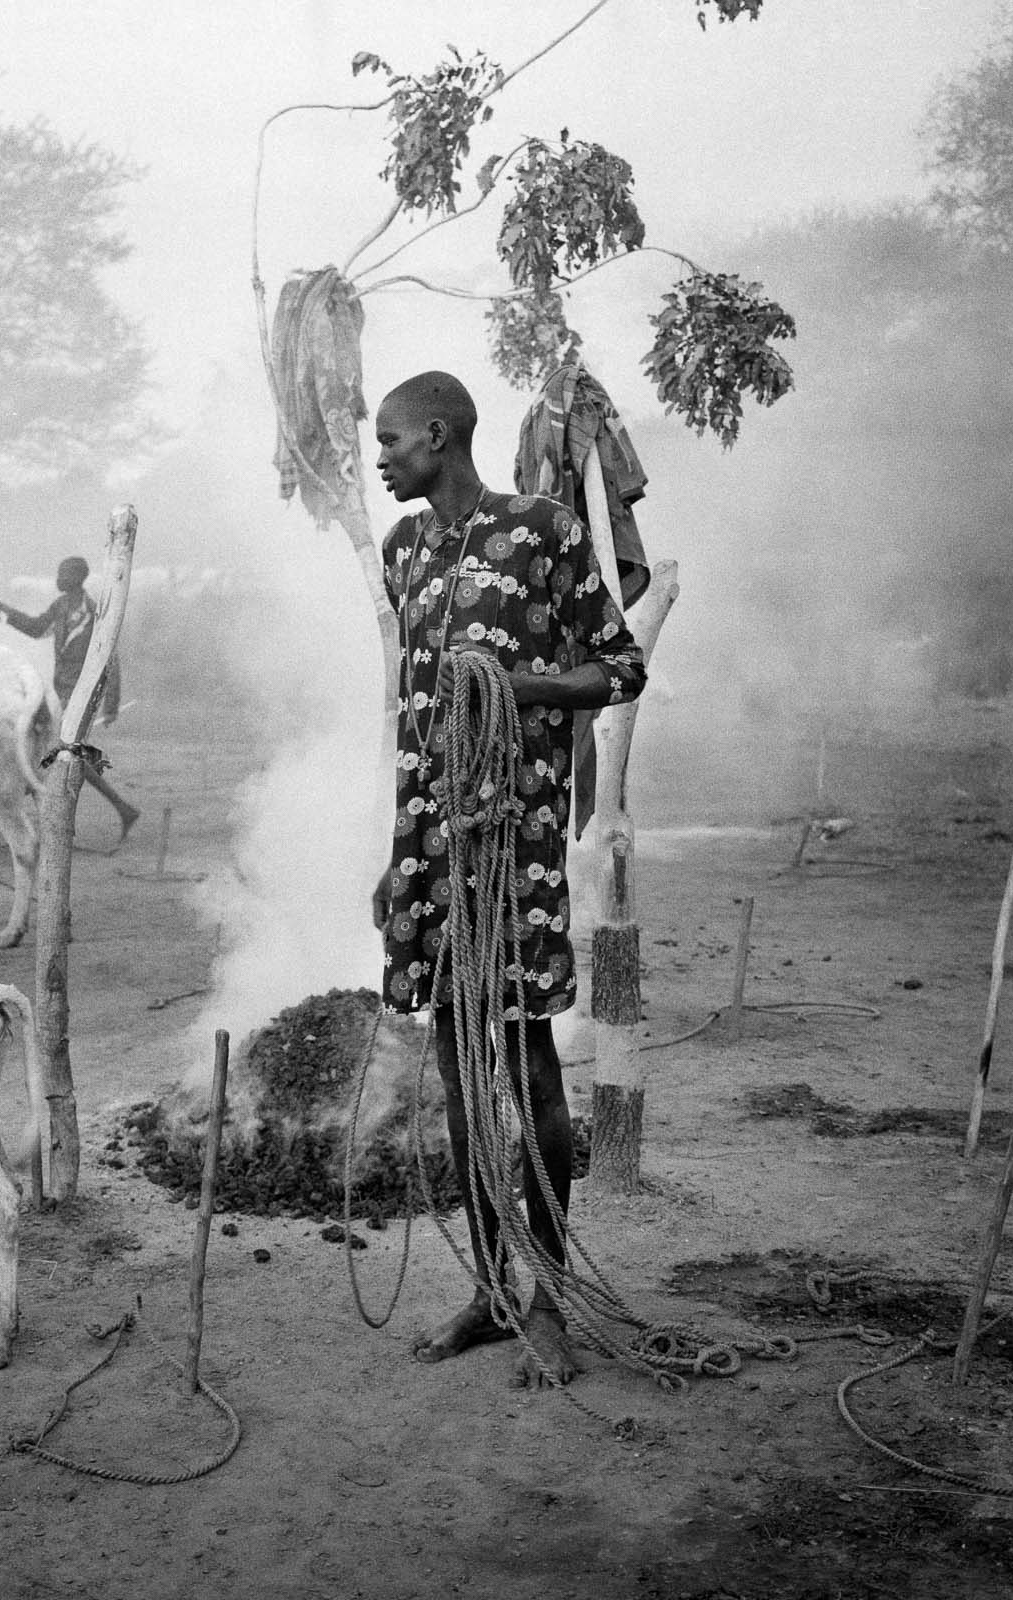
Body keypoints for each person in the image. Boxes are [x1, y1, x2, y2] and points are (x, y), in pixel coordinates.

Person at [370, 371, 646, 1387]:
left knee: (528, 1069)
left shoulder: (540, 531)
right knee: (457, 1068)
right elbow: (412, 713)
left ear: (439, 435)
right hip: (430, 847)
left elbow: (620, 665)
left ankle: (551, 1301)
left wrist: (519, 686)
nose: (382, 458)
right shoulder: (403, 552)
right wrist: (397, 858)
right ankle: (489, 1290)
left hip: (513, 843)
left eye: (392, 440)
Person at [0, 556, 140, 841]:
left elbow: (111, 658)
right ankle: (120, 809)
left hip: (84, 692)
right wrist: (3, 610)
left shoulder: (95, 613)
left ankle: (89, 814)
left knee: (67, 751)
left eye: (64, 574)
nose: (58, 578)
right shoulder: (60, 607)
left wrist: (111, 705)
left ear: (77, 578)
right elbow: (36, 628)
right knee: (65, 750)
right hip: (61, 692)